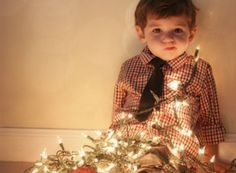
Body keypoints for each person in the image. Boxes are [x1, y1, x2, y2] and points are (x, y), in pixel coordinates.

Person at [110, 0, 228, 172]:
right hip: (131, 148)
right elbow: (117, 109)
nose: (167, 38)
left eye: (177, 30)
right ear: (141, 33)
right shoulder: (128, 67)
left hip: (177, 153)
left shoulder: (199, 69)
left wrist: (210, 159)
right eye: (157, 30)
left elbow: (209, 119)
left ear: (191, 33)